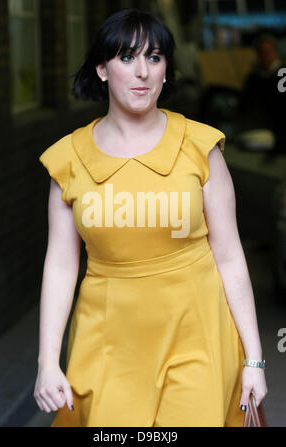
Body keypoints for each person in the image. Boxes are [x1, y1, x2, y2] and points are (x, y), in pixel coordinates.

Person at [34, 8, 268, 427]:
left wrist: (254, 359)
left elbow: (230, 255)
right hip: (107, 339)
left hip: (196, 333)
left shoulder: (200, 146)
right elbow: (61, 265)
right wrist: (47, 361)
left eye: (155, 57)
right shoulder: (68, 159)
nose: (142, 71)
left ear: (165, 71)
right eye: (127, 58)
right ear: (103, 70)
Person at [237, 33, 285, 155]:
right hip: (260, 132)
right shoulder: (253, 78)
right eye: (262, 52)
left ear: (275, 52)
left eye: (268, 51)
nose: (265, 55)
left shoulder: (282, 75)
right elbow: (246, 106)